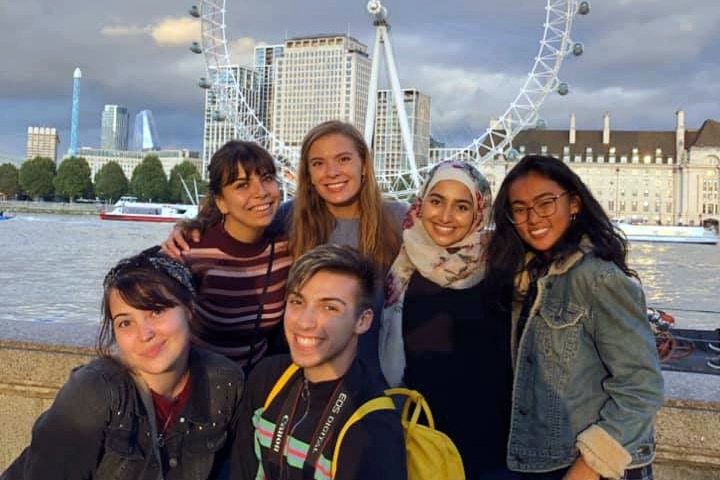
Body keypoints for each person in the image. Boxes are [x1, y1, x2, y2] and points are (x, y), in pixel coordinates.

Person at [162, 121, 407, 378]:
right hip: (296, 374)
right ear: (308, 175)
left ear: (364, 165)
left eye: (343, 159)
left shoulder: (398, 221)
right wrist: (190, 227)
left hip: (376, 373)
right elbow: (241, 220)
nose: (332, 172)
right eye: (318, 163)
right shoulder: (290, 218)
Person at [485, 155, 664, 480]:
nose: (533, 217)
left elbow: (642, 387)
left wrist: (589, 464)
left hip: (588, 468)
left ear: (575, 204)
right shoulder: (525, 278)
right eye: (520, 208)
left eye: (546, 203)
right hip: (538, 461)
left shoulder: (597, 279)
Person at [2, 247, 244, 480]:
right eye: (125, 323)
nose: (144, 334)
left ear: (189, 309)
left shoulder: (223, 383)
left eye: (156, 311)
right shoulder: (95, 392)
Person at [379, 159, 515, 479]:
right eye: (437, 201)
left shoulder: (502, 267)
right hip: (420, 443)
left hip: (490, 450)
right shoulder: (402, 267)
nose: (445, 216)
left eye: (461, 206)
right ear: (421, 203)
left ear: (479, 212)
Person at [232, 244, 407, 480]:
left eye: (329, 307)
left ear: (363, 321)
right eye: (297, 302)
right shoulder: (268, 377)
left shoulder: (373, 427)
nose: (304, 322)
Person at [179, 140, 292, 371]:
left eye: (267, 178)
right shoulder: (193, 251)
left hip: (257, 382)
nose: (260, 192)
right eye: (242, 185)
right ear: (221, 202)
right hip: (202, 380)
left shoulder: (286, 248)